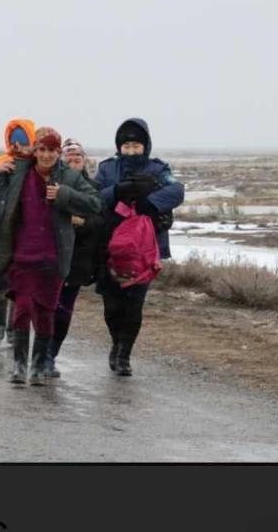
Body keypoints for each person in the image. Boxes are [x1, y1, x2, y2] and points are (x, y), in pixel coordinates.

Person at [0, 126, 103, 385]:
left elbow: (95, 203)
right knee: (22, 309)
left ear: (58, 152)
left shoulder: (69, 177)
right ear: (35, 150)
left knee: (45, 312)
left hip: (53, 258)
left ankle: (38, 367)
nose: (46, 155)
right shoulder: (20, 172)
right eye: (42, 149)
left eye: (52, 150)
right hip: (22, 256)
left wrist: (64, 195)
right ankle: (19, 367)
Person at [94, 118, 184, 376]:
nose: (131, 151)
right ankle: (116, 343)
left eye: (136, 146)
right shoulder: (107, 169)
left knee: (134, 304)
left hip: (144, 250)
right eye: (126, 146)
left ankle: (124, 355)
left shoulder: (158, 169)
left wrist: (150, 203)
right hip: (109, 247)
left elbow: (177, 191)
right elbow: (94, 196)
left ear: (145, 146)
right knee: (112, 306)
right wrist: (116, 191)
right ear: (119, 147)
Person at [46, 139, 107, 378]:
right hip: (51, 255)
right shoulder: (50, 184)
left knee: (63, 309)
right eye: (68, 158)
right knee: (46, 306)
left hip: (78, 258)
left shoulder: (93, 188)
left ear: (84, 161)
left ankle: (50, 355)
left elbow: (100, 220)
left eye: (77, 158)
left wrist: (81, 222)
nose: (73, 162)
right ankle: (39, 351)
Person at [0, 117, 37, 346]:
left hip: (30, 234)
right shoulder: (0, 165)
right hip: (3, 233)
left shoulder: (39, 166)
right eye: (14, 142)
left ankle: (16, 327)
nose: (18, 147)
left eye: (24, 142)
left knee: (21, 283)